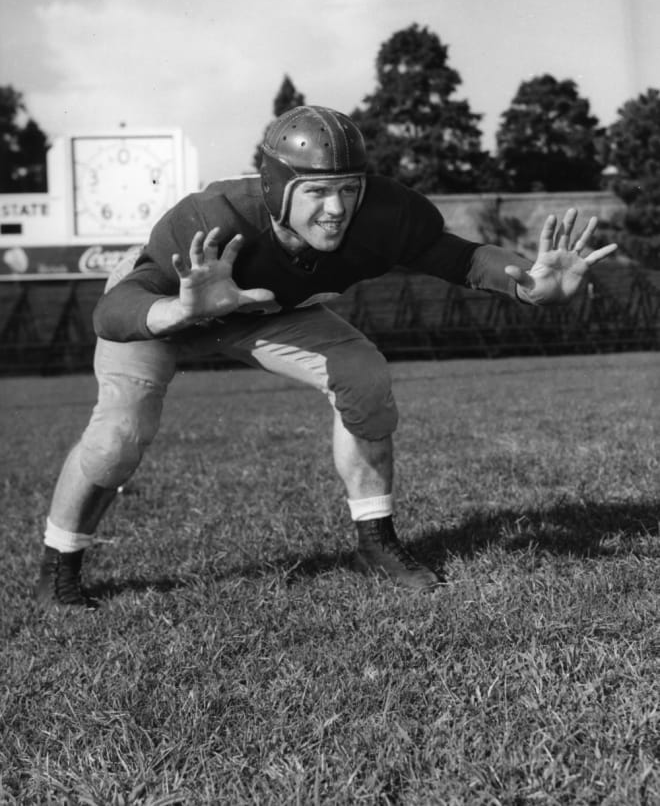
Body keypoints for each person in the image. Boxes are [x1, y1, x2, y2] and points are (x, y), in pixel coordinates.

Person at [36, 105, 617, 608]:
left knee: (362, 375)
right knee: (117, 437)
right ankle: (58, 569)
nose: (336, 208)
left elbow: (460, 258)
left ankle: (374, 542)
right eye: (315, 191)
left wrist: (524, 283)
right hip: (165, 316)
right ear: (273, 187)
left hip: (267, 311)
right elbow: (113, 312)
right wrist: (178, 311)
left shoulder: (384, 214)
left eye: (347, 188)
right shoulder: (212, 216)